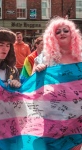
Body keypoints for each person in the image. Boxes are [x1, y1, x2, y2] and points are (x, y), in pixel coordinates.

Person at [33, 16, 82, 150]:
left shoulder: (80, 56)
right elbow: (34, 86)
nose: (62, 33)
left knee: (74, 147)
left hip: (76, 114)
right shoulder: (45, 57)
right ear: (52, 36)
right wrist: (38, 72)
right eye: (58, 31)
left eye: (65, 30)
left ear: (72, 33)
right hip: (52, 113)